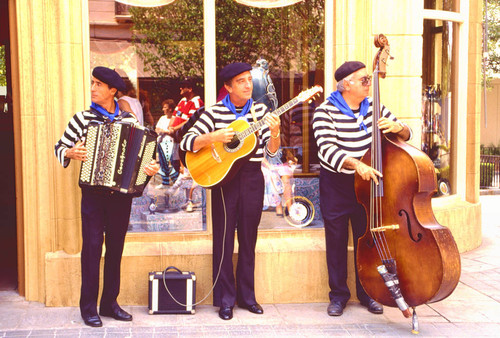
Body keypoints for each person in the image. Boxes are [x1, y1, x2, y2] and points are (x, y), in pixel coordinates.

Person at [54, 66, 159, 327]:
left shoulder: (130, 121)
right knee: (91, 249)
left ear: (112, 90)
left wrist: (149, 168)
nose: (92, 88)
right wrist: (70, 153)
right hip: (92, 194)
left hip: (120, 197)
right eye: (92, 83)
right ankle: (88, 307)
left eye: (98, 84)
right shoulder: (82, 119)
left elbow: (144, 159)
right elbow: (60, 146)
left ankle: (110, 303)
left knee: (115, 249)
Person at [180, 62, 280, 320]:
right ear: (228, 86)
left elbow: (272, 152)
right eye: (241, 81)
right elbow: (187, 141)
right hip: (223, 179)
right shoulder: (213, 113)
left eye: (249, 79)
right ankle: (225, 300)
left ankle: (248, 297)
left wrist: (276, 132)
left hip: (252, 178)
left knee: (249, 239)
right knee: (223, 241)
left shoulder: (261, 111)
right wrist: (213, 137)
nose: (248, 85)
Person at [312, 61, 411, 317]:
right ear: (347, 84)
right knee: (336, 241)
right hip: (337, 183)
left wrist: (400, 128)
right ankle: (338, 297)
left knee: (366, 241)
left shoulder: (375, 107)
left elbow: (406, 133)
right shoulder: (325, 111)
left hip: (368, 183)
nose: (369, 83)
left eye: (369, 79)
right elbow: (327, 149)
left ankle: (369, 293)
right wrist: (357, 164)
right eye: (364, 80)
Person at [169, 79, 204, 173]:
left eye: (183, 86)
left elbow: (190, 121)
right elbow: (174, 115)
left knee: (184, 164)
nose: (180, 88)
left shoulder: (196, 102)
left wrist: (174, 129)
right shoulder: (182, 101)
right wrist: (170, 128)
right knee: (174, 162)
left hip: (185, 138)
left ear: (190, 89)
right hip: (175, 137)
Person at [155, 99, 178, 187]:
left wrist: (163, 131)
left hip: (170, 143)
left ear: (170, 109)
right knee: (162, 162)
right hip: (161, 142)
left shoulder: (174, 119)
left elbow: (172, 132)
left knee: (172, 163)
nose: (163, 109)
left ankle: (176, 182)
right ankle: (165, 182)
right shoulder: (162, 118)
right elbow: (157, 129)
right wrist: (165, 131)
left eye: (165, 107)